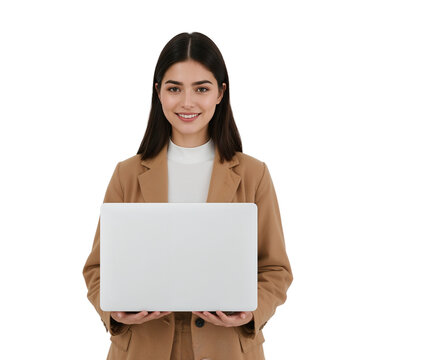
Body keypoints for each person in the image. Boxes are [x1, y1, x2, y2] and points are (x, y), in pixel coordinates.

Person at [82, 32, 293, 360]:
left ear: (221, 93)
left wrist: (252, 311)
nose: (187, 102)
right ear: (158, 92)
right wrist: (113, 311)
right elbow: (97, 268)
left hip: (227, 346)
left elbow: (275, 268)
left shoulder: (254, 175)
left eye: (202, 88)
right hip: (142, 345)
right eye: (174, 88)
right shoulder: (127, 174)